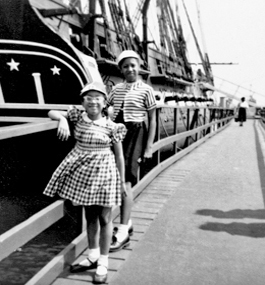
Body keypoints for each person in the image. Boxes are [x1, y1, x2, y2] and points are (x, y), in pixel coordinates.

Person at [43, 81, 126, 284]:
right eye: (88, 97)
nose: (93, 101)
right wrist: (62, 119)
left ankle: (103, 263)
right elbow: (51, 112)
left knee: (105, 218)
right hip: (84, 174)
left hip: (105, 173)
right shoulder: (76, 117)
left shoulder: (112, 126)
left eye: (98, 97)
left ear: (105, 102)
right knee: (90, 216)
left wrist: (122, 182)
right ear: (82, 101)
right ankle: (93, 255)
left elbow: (120, 156)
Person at [107, 50, 157, 252]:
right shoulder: (117, 89)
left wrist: (149, 146)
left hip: (136, 133)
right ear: (121, 69)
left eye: (133, 65)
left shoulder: (146, 90)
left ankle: (122, 230)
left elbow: (152, 119)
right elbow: (106, 108)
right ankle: (127, 223)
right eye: (126, 66)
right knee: (114, 177)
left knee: (125, 180)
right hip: (117, 132)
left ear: (139, 67)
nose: (130, 69)